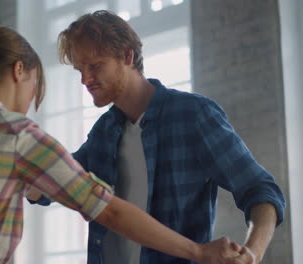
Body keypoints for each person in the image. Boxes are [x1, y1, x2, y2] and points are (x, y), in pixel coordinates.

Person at [0, 26, 241, 264]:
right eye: (35, 84)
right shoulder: (18, 136)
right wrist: (198, 250)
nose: (31, 97)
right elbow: (109, 210)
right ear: (19, 71)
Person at [29, 10, 286, 264]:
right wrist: (22, 174)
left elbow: (259, 188)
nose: (85, 79)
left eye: (95, 66)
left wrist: (253, 252)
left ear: (127, 56)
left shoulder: (193, 115)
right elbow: (57, 180)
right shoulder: (103, 131)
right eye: (79, 70)